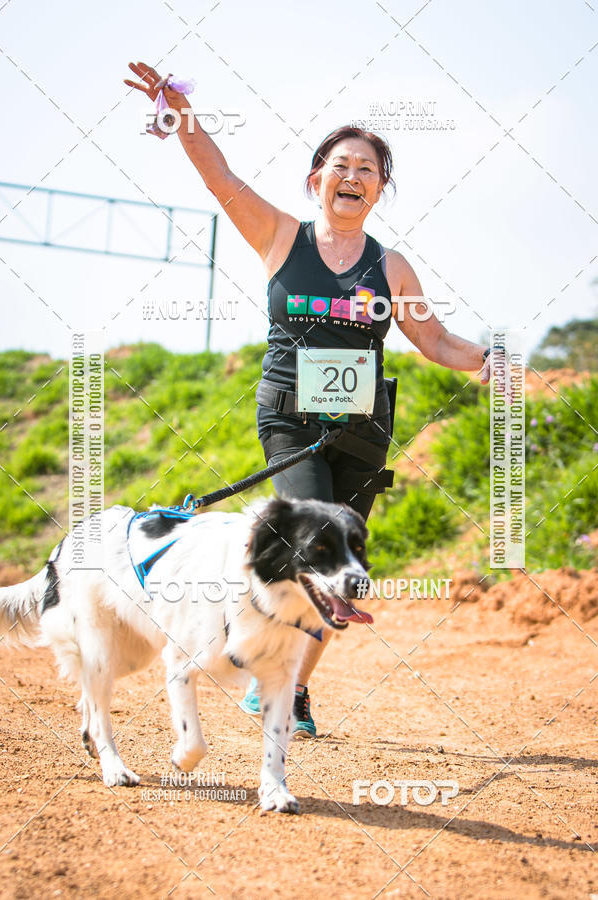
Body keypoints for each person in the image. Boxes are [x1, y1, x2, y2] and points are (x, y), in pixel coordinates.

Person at [125, 62, 493, 738]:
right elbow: (219, 176)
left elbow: (434, 338)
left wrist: (494, 364)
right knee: (315, 535)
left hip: (361, 430)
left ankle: (289, 689)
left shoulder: (391, 265)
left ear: (380, 188)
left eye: (367, 169)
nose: (352, 176)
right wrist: (179, 112)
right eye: (340, 165)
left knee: (343, 565)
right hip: (291, 419)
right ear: (316, 178)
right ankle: (256, 649)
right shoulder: (279, 236)